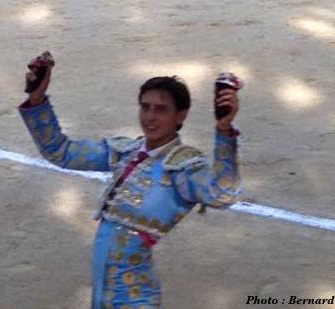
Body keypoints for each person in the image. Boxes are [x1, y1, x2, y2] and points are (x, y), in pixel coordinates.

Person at [19, 54, 242, 309]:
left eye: (161, 109)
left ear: (181, 116)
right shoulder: (125, 152)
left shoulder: (184, 166)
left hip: (135, 297)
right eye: (145, 107)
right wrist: (37, 99)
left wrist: (224, 131)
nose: (150, 117)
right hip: (104, 297)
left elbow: (224, 194)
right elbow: (61, 151)